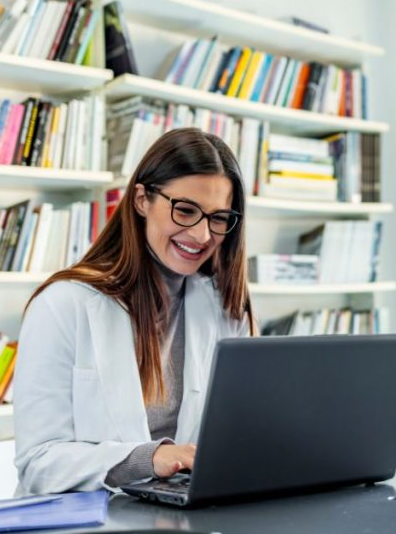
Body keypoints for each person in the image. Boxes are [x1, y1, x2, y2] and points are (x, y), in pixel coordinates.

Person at [13, 128, 255, 494]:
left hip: (183, 514)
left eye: (218, 218)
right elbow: (39, 463)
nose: (203, 235)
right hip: (91, 519)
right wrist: (147, 459)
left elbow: (237, 434)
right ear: (142, 199)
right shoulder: (62, 304)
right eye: (186, 210)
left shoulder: (225, 308)